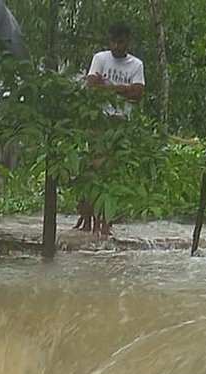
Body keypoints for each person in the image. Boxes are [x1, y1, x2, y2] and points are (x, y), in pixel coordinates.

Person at [76, 22, 145, 236]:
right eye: (114, 41)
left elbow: (138, 93)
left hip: (120, 122)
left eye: (121, 41)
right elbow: (92, 85)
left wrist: (108, 88)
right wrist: (122, 89)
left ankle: (105, 221)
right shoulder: (100, 58)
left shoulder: (136, 64)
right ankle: (87, 220)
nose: (117, 45)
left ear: (127, 41)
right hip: (98, 120)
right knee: (93, 168)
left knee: (112, 173)